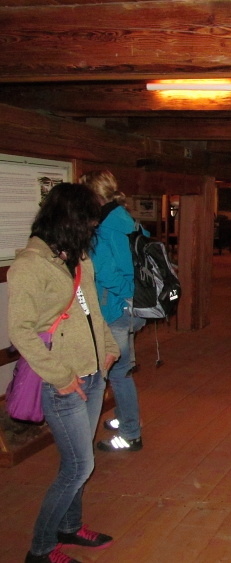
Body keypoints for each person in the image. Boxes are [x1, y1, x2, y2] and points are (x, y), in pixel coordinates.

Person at [7, 183, 120, 563]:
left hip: (93, 373)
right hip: (63, 382)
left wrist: (108, 347)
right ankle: (40, 549)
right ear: (68, 219)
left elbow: (92, 311)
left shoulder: (77, 256)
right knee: (79, 466)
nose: (93, 226)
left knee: (77, 462)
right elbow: (21, 331)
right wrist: (60, 376)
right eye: (88, 220)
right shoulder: (30, 265)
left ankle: (69, 527)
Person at [81, 170, 148, 452]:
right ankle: (125, 418)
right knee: (124, 367)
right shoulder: (128, 220)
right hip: (137, 307)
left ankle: (131, 433)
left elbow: (106, 273)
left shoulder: (101, 228)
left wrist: (125, 295)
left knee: (118, 373)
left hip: (117, 308)